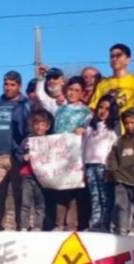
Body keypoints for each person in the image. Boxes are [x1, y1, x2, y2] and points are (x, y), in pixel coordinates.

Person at [0, 71, 29, 230]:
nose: (8, 88)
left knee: (19, 195)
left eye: (12, 85)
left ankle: (20, 227)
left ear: (19, 86)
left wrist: (22, 150)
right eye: (6, 84)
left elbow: (28, 130)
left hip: (15, 156)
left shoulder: (25, 104)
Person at [52, 76, 92, 231]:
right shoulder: (59, 109)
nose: (72, 93)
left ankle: (72, 224)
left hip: (76, 155)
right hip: (59, 154)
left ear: (82, 93)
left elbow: (90, 131)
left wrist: (83, 130)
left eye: (77, 90)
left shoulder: (85, 112)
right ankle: (58, 223)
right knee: (60, 188)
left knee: (74, 188)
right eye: (70, 89)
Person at [107, 108, 134, 236]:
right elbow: (112, 157)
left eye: (132, 122)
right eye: (126, 123)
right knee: (121, 206)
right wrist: (113, 170)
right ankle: (121, 230)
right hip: (121, 180)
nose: (129, 126)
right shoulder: (119, 140)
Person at [83, 95, 119, 231]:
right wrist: (83, 167)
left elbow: (113, 149)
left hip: (104, 166)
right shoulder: (90, 127)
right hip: (89, 165)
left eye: (107, 109)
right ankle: (96, 224)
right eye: (101, 108)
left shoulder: (112, 129)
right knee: (94, 196)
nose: (103, 111)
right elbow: (84, 146)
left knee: (105, 197)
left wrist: (110, 168)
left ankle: (106, 224)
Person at [18, 109, 52, 231]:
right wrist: (23, 157)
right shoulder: (27, 141)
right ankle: (23, 227)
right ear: (32, 125)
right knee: (25, 203)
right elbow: (18, 155)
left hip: (42, 178)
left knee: (40, 204)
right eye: (36, 124)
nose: (39, 127)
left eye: (42, 124)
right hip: (27, 175)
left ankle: (38, 227)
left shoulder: (50, 141)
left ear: (47, 126)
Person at [90, 44, 134, 114]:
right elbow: (93, 108)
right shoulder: (102, 84)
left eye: (119, 55)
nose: (114, 59)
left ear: (128, 60)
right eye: (112, 56)